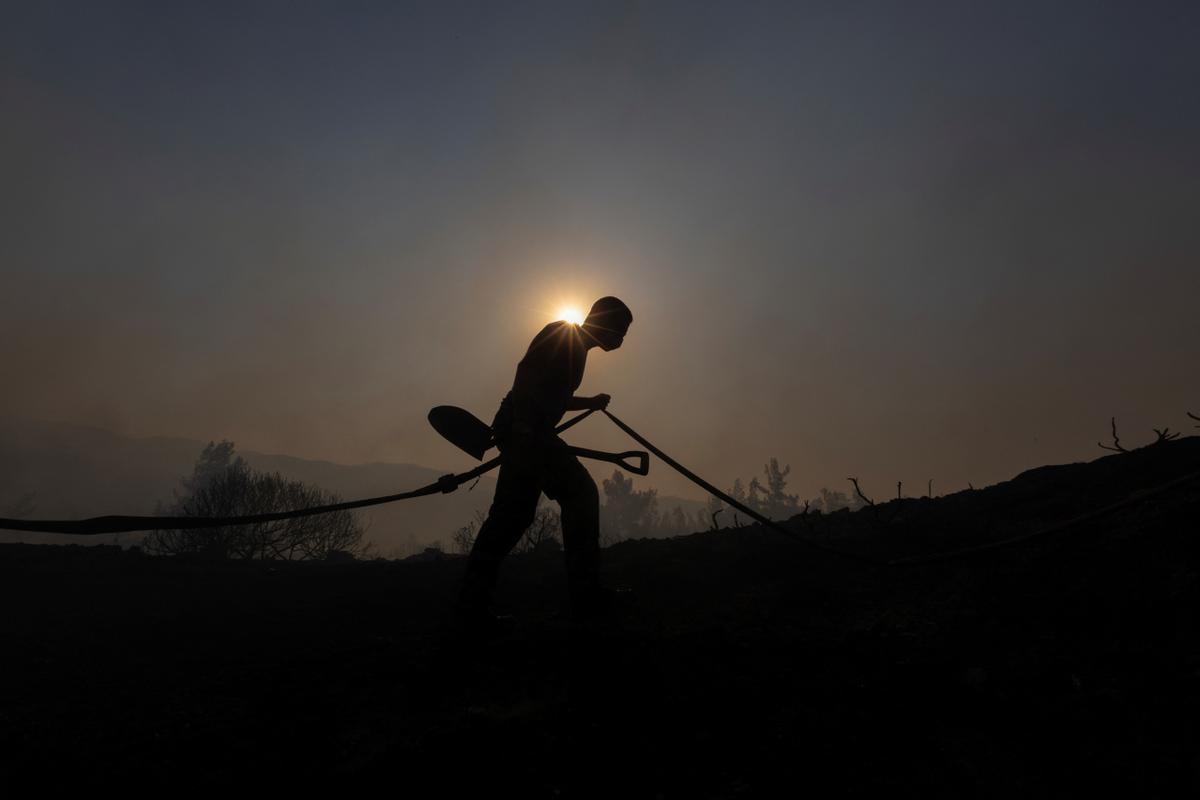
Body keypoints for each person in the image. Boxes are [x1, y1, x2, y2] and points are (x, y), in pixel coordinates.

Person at [455, 296, 633, 632]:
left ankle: (471, 607)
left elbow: (552, 396)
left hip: (528, 434)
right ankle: (586, 597)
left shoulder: (576, 350)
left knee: (512, 518)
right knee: (579, 495)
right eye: (620, 330)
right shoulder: (563, 333)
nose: (621, 340)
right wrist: (522, 426)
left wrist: (588, 403)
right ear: (604, 322)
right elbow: (525, 376)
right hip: (528, 434)